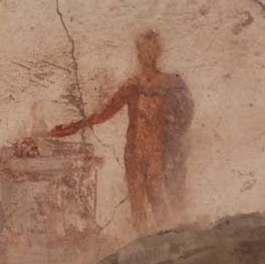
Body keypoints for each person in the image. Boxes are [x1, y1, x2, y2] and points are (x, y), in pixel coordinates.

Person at [50, 30, 193, 231]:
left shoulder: (169, 83)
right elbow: (103, 113)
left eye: (151, 47)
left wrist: (174, 133)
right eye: (143, 48)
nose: (147, 53)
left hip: (156, 149)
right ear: (138, 51)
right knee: (136, 200)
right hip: (134, 150)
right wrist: (76, 126)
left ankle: (165, 242)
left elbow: (184, 113)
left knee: (155, 195)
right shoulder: (132, 85)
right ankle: (141, 246)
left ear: (159, 50)